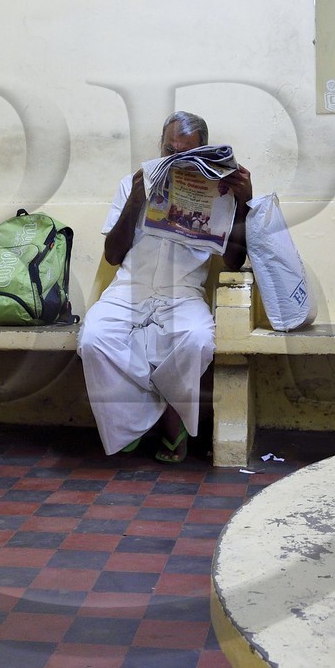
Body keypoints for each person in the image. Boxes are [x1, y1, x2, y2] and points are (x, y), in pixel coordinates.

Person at [78, 111, 252, 463]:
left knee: (197, 340)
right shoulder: (132, 184)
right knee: (93, 339)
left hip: (182, 294)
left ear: (203, 153)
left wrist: (244, 203)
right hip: (129, 289)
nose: (175, 157)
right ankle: (138, 423)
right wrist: (136, 201)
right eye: (170, 149)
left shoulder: (221, 192)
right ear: (161, 145)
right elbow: (112, 256)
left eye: (186, 152)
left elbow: (233, 262)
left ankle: (158, 425)